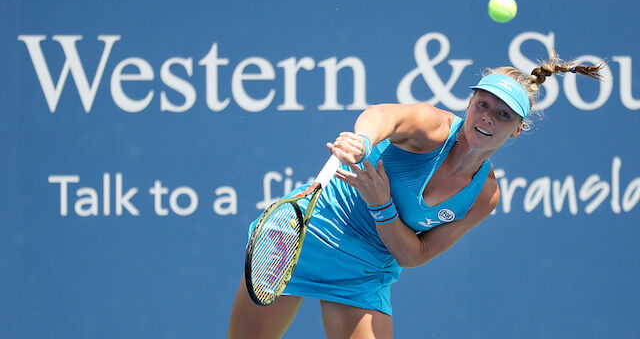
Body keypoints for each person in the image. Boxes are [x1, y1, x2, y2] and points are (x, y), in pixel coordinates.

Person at [228, 54, 603, 339]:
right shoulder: (432, 127)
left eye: (503, 115)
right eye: (483, 104)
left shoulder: (484, 197)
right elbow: (382, 116)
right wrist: (362, 139)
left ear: (517, 130)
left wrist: (381, 205)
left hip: (365, 271)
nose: (487, 118)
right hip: (307, 235)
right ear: (470, 104)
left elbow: (414, 254)